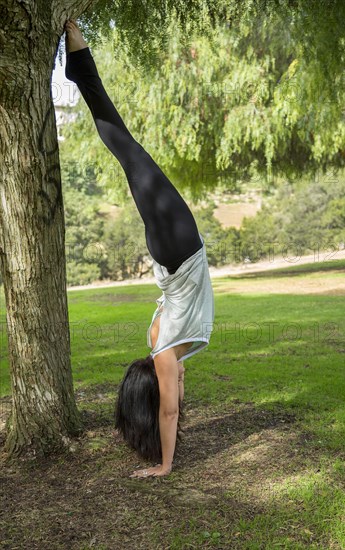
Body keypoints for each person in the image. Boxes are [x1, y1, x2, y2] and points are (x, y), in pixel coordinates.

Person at [64, 20, 215, 477]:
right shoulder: (169, 353)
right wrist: (166, 465)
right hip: (178, 248)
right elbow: (171, 410)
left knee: (127, 149)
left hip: (179, 247)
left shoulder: (170, 351)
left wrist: (165, 463)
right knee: (126, 149)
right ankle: (80, 67)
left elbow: (171, 406)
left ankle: (80, 67)